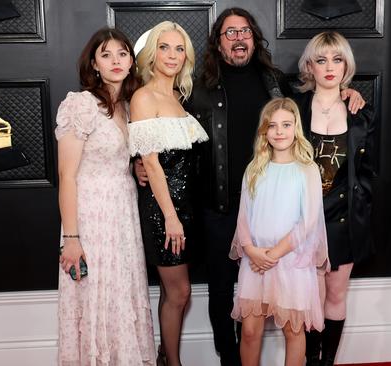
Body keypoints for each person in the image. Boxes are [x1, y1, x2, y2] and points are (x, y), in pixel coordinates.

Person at [135, 8, 365, 365]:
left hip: (273, 211)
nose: (238, 38)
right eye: (230, 32)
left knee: (280, 300)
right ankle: (230, 359)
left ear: (254, 39)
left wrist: (346, 92)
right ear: (218, 42)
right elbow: (161, 129)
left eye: (245, 31)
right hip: (220, 207)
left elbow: (312, 101)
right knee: (223, 292)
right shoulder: (196, 87)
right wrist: (139, 161)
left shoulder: (274, 81)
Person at [56, 27, 155, 365]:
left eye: (122, 54)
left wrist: (135, 170)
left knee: (121, 295)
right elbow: (67, 175)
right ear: (94, 64)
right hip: (91, 217)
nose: (116, 61)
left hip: (123, 216)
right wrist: (71, 238)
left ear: (131, 62)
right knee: (96, 297)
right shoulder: (81, 104)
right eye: (106, 55)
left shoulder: (129, 106)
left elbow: (115, 159)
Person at [128, 21, 209, 366]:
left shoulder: (178, 96)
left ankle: (165, 356)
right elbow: (152, 162)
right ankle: (173, 363)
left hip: (186, 207)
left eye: (179, 49)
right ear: (152, 53)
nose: (172, 55)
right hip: (164, 211)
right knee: (180, 292)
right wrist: (171, 218)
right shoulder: (144, 96)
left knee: (170, 291)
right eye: (165, 47)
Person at [294, 31, 377, 366]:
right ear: (309, 67)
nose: (330, 67)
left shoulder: (361, 112)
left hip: (346, 216)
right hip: (305, 217)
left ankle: (326, 362)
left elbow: (370, 169)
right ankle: (311, 359)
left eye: (337, 59)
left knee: (336, 294)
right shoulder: (294, 109)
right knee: (311, 296)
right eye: (321, 59)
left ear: (346, 66)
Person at [229, 97, 329, 366]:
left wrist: (273, 254)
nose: (279, 131)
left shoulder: (307, 170)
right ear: (265, 131)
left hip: (291, 261)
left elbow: (307, 223)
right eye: (272, 126)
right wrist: (251, 250)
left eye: (286, 124)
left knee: (293, 330)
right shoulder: (254, 169)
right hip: (255, 261)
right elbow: (243, 216)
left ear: (296, 127)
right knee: (249, 332)